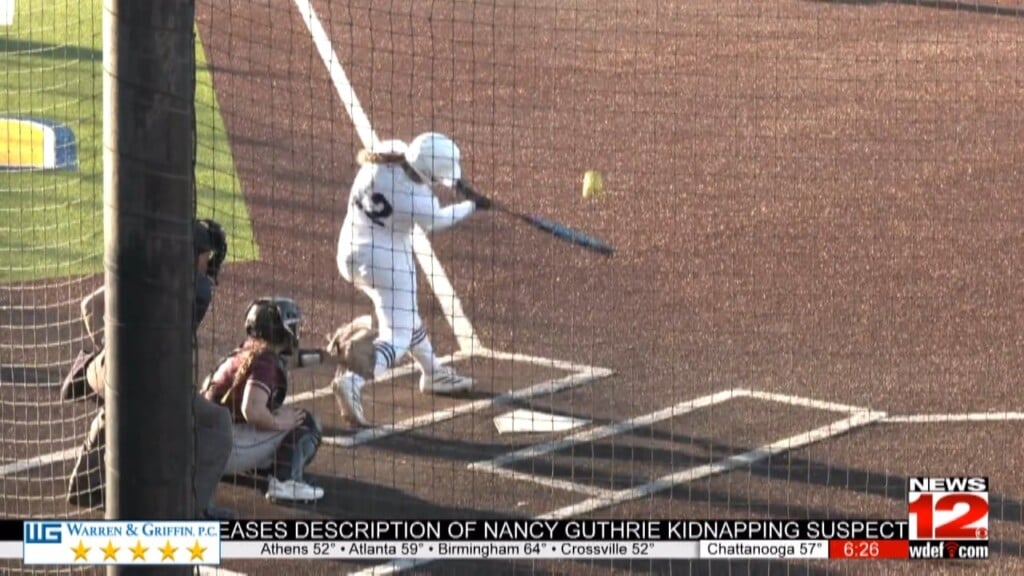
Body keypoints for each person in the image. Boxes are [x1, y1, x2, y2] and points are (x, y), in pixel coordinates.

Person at [63, 219, 235, 520]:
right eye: (208, 255)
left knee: (119, 405)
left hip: (106, 369)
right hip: (150, 378)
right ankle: (193, 510)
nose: (210, 263)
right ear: (200, 253)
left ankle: (85, 484)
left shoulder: (139, 266)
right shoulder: (200, 288)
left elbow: (89, 305)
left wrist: (111, 347)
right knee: (216, 424)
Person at [332, 133, 492, 427]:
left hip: (349, 253)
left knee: (405, 315)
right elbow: (439, 220)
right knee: (399, 334)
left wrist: (457, 184)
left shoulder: (388, 151)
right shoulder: (417, 200)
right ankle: (354, 379)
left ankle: (433, 372)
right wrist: (473, 205)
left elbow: (423, 171)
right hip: (385, 263)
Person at [200, 297, 335, 502]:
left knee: (280, 416)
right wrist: (279, 423)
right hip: (224, 450)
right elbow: (251, 409)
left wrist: (329, 356)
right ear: (280, 329)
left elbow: (290, 360)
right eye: (292, 325)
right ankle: (285, 483)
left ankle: (263, 465)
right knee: (305, 423)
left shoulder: (250, 350)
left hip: (205, 445)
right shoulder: (265, 363)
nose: (296, 329)